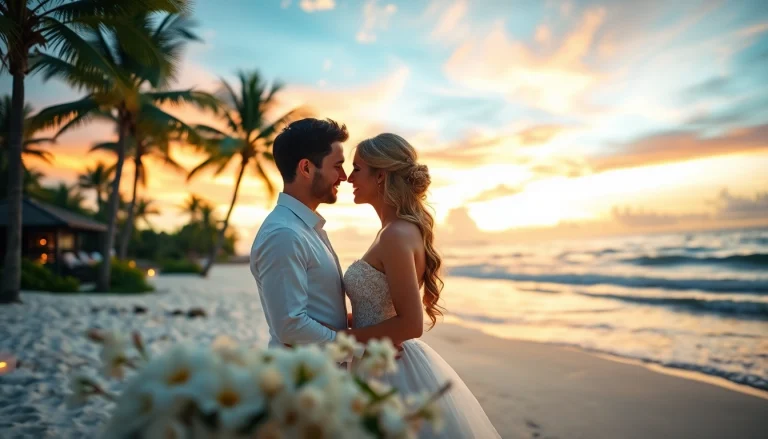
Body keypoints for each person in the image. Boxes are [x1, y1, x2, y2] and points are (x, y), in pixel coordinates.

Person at [342, 133, 501, 438]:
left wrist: (344, 338)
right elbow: (383, 310)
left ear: (381, 176)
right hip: (375, 358)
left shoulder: (395, 235)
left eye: (357, 168)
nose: (349, 178)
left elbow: (411, 324)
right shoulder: (392, 231)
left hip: (390, 370)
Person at [249, 117, 349, 348]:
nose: (343, 176)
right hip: (301, 378)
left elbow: (324, 314)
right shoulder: (284, 235)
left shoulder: (304, 228)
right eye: (337, 166)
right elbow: (290, 327)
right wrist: (359, 349)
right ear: (306, 168)